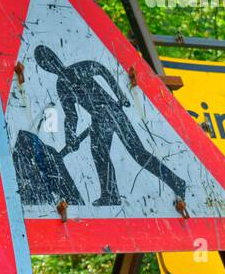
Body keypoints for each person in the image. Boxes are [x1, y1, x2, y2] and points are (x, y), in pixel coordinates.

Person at [32, 44, 186, 206]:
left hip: (112, 112)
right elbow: (71, 115)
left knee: (138, 153)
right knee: (100, 154)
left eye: (49, 59)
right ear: (44, 68)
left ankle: (176, 182)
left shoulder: (78, 69)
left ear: (55, 57)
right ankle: (111, 195)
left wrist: (120, 94)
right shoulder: (62, 84)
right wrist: (70, 137)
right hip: (98, 119)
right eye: (45, 63)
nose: (50, 64)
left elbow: (102, 70)